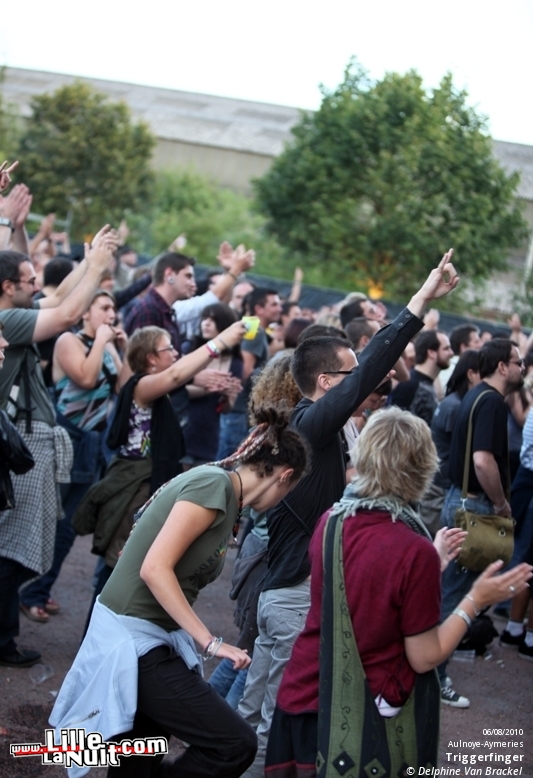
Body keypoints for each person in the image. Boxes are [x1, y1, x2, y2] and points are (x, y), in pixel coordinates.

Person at [237, 250, 459, 778]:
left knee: (255, 716)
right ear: (328, 383)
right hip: (291, 595)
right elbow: (372, 369)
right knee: (271, 723)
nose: (365, 380)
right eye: (352, 374)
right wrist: (420, 302)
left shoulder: (317, 429)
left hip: (285, 592)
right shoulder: (310, 424)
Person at [264, 408, 533, 777]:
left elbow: (363, 587)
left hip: (303, 694)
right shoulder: (411, 548)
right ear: (422, 468)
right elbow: (425, 657)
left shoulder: (333, 519)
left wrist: (429, 562)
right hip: (359, 721)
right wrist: (476, 600)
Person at [50, 404, 309, 777]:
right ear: (285, 475)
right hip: (130, 640)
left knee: (140, 758)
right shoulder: (214, 484)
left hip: (151, 637)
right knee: (235, 744)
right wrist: (210, 642)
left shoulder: (228, 497)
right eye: (291, 490)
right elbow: (154, 569)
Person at [0, 226, 118, 668]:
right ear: (8, 289)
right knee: (11, 548)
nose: (38, 285)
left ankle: (6, 635)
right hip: (17, 442)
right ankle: (3, 638)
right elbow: (67, 312)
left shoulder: (14, 309)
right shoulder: (7, 319)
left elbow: (57, 300)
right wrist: (99, 268)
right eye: (28, 280)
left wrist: (90, 265)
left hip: (23, 440)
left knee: (13, 545)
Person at [73, 318, 247, 612]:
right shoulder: (142, 384)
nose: (175, 353)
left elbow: (181, 383)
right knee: (118, 567)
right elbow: (177, 376)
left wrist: (209, 385)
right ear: (152, 358)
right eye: (168, 348)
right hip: (135, 486)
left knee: (127, 564)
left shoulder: (154, 388)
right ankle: (99, 638)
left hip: (145, 483)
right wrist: (222, 340)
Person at [18, 290, 126, 621]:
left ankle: (40, 589)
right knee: (47, 520)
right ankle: (25, 591)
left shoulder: (104, 344)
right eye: (104, 308)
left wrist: (117, 347)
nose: (111, 314)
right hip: (65, 438)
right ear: (85, 314)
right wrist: (102, 342)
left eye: (113, 309)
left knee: (68, 527)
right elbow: (85, 377)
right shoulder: (69, 340)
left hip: (91, 444)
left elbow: (123, 387)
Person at [439, 337, 525, 705]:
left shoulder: (478, 394)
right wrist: (501, 503)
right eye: (518, 362)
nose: (523, 367)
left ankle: (431, 671)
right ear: (502, 366)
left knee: (449, 591)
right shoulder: (490, 400)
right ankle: (434, 677)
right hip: (473, 507)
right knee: (456, 596)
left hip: (459, 500)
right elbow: (483, 460)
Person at [182, 303, 243, 466]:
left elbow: (226, 409)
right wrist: (209, 389)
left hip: (209, 432)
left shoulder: (235, 361)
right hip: (183, 425)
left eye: (212, 319)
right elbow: (177, 390)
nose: (206, 323)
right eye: (204, 318)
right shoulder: (190, 348)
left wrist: (228, 396)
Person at [389, 329, 454, 425]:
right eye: (446, 349)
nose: (451, 353)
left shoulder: (427, 383)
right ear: (431, 352)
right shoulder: (410, 385)